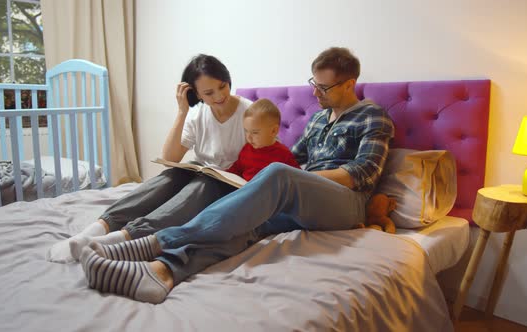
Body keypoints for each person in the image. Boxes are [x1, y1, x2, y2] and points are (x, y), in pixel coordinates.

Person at [79, 47, 396, 304]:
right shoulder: (317, 120)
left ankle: (155, 242)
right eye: (313, 84)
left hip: (348, 203)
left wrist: (298, 180)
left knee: (278, 177)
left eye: (323, 87)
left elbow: (363, 173)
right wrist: (265, 182)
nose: (315, 93)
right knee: (245, 223)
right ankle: (162, 272)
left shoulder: (372, 116)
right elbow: (291, 158)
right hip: (304, 200)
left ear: (349, 84)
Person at [47, 54, 253, 263]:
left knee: (203, 183)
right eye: (209, 92)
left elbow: (269, 154)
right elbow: (169, 157)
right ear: (196, 94)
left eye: (223, 86)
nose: (219, 95)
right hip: (203, 171)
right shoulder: (197, 114)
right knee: (173, 174)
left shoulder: (250, 112)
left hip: (228, 183)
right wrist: (182, 112)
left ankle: (124, 237)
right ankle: (98, 228)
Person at [225, 98, 300, 180]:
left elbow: (298, 178)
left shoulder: (283, 154)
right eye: (246, 131)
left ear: (274, 131)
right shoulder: (246, 149)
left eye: (255, 132)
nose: (249, 137)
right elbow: (236, 169)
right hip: (244, 189)